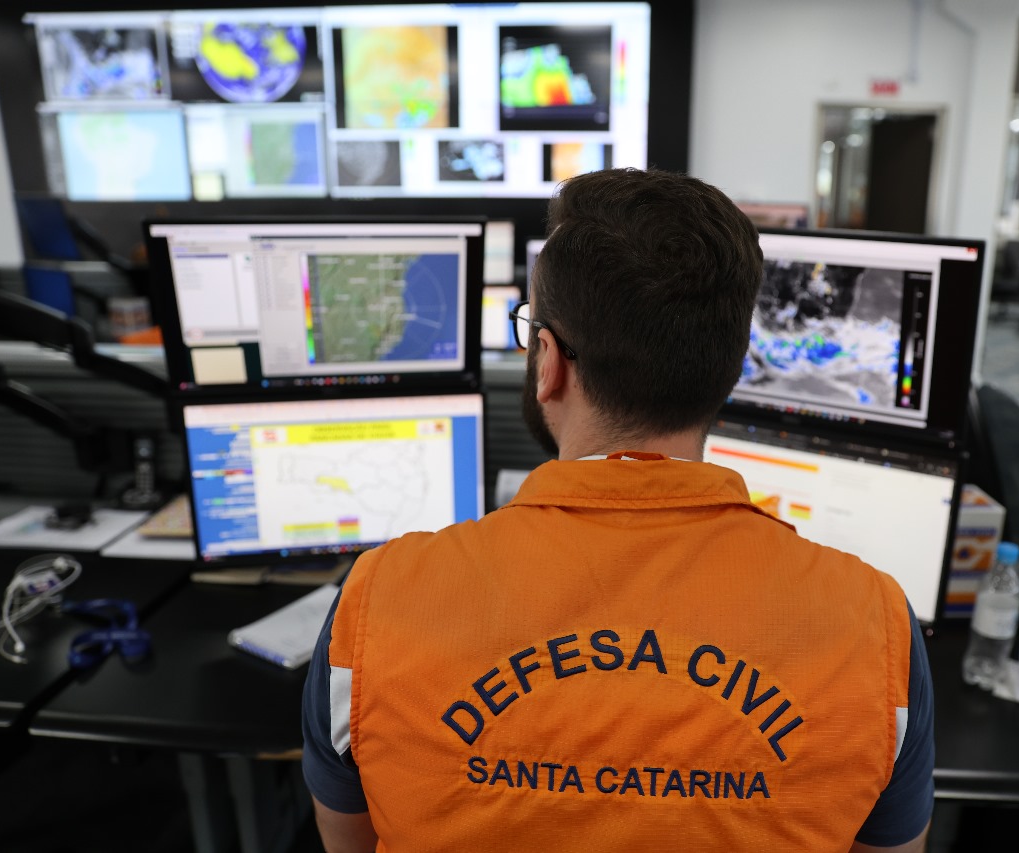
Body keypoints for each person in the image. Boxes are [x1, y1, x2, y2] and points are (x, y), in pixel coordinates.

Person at [302, 167, 934, 852]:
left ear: (547, 361)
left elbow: (349, 843)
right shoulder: (877, 627)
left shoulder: (374, 602)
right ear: (731, 368)